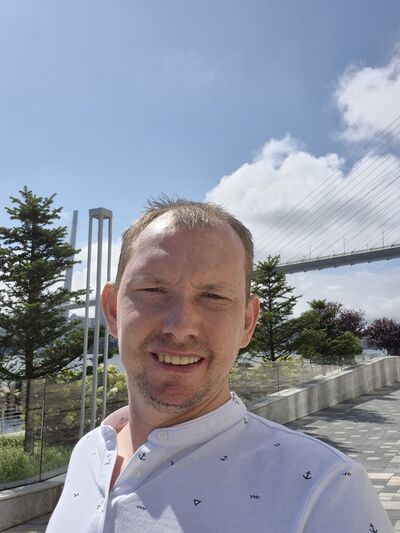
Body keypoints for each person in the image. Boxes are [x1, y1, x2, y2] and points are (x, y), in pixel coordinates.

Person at [47, 198, 392, 533]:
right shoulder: (90, 453)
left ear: (247, 322)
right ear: (112, 311)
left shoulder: (328, 492)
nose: (180, 326)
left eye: (213, 296)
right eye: (153, 290)